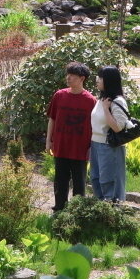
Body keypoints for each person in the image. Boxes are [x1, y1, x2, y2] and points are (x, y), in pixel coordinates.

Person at [45, 62, 97, 212]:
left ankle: (77, 211)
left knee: (79, 183)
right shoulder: (59, 95)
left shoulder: (90, 100)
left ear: (82, 78)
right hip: (61, 146)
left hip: (80, 149)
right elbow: (52, 119)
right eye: (68, 74)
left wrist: (91, 147)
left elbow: (94, 126)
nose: (68, 77)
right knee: (60, 180)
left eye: (72, 75)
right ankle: (59, 209)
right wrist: (48, 141)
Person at [90, 65, 129, 202]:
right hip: (95, 144)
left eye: (101, 77)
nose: (97, 80)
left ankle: (113, 208)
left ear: (109, 80)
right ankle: (101, 209)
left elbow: (118, 127)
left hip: (109, 146)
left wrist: (106, 109)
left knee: (109, 180)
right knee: (96, 178)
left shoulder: (117, 101)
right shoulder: (102, 99)